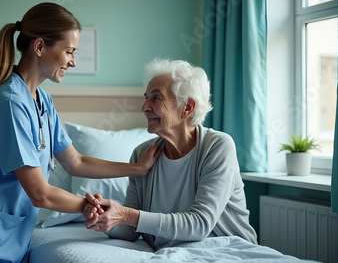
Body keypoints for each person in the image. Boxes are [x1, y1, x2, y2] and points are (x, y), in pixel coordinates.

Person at [0, 2, 161, 263]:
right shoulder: (10, 103)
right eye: (69, 51)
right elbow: (39, 193)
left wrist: (137, 168)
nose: (73, 62)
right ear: (40, 47)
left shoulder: (41, 100)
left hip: (11, 240)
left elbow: (75, 162)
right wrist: (91, 207)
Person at [84, 59, 258, 250]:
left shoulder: (217, 146)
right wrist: (105, 217)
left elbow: (199, 224)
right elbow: (130, 230)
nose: (144, 107)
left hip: (229, 250)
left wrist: (125, 214)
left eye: (156, 98)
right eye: (146, 98)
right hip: (175, 253)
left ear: (187, 107)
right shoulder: (141, 154)